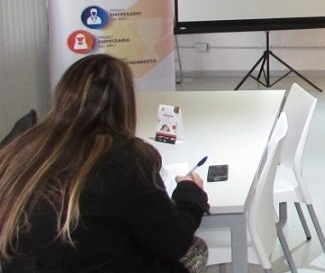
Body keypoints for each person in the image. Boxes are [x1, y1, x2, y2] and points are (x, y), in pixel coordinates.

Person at [0, 54, 210, 273]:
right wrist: (190, 195)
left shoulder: (21, 149)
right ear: (125, 102)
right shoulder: (127, 159)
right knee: (196, 249)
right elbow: (174, 243)